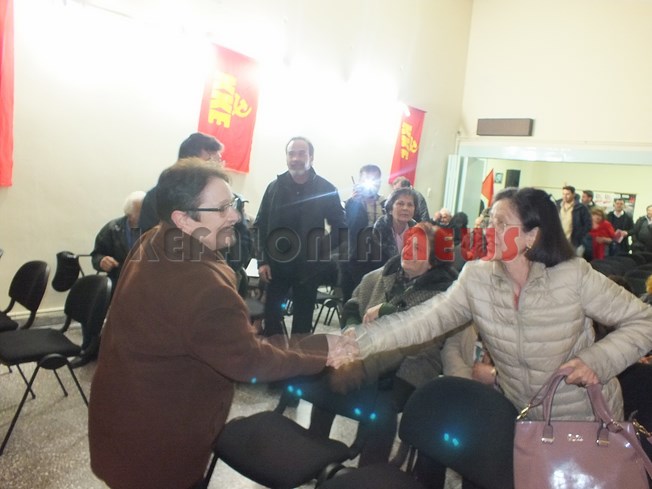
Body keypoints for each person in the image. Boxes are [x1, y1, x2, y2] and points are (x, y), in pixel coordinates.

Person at [330, 187, 652, 486]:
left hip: (585, 419)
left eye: (501, 224)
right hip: (524, 418)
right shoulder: (477, 278)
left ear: (531, 236)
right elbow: (423, 320)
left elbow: (644, 321)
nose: (488, 231)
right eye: (489, 221)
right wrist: (360, 342)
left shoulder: (573, 276)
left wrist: (596, 360)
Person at [88, 159, 335, 489]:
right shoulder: (203, 287)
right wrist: (324, 349)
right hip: (158, 447)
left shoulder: (155, 239)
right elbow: (251, 361)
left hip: (122, 419)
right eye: (221, 209)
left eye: (233, 204)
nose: (235, 216)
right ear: (183, 219)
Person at [311, 222, 472, 467]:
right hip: (365, 353)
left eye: (417, 248)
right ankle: (314, 452)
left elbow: (422, 332)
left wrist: (387, 310)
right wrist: (352, 328)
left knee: (381, 407)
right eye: (408, 243)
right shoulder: (381, 275)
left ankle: (369, 472)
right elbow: (353, 303)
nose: (407, 250)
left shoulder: (445, 295)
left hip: (411, 365)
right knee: (329, 377)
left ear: (432, 261)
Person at [254, 136, 347, 337]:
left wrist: (320, 250)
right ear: (286, 157)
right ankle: (274, 355)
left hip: (308, 269)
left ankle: (298, 358)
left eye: (301, 153)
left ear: (311, 157)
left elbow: (341, 228)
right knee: (271, 321)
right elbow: (259, 226)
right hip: (276, 267)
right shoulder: (273, 188)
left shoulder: (326, 189)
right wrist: (262, 260)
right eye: (291, 154)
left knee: (302, 326)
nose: (296, 158)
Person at [139, 132, 253, 274]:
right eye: (210, 162)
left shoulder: (231, 200)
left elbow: (243, 243)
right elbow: (149, 243)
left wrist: (223, 269)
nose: (217, 168)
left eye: (219, 161)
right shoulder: (155, 198)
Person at [341, 164, 385, 301]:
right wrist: (355, 203)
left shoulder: (386, 203)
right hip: (356, 258)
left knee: (373, 299)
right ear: (359, 182)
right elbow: (351, 229)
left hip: (379, 258)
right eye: (366, 180)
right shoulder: (351, 203)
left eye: (375, 180)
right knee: (354, 300)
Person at [91, 190, 145, 287]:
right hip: (119, 284)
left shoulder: (157, 229)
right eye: (142, 211)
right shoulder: (112, 229)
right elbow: (96, 256)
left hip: (149, 285)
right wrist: (102, 261)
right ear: (129, 215)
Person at [372, 188, 417, 266]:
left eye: (410, 205)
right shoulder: (378, 231)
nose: (405, 208)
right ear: (390, 209)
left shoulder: (417, 231)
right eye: (400, 204)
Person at [556, 185, 591, 255]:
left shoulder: (581, 207)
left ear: (573, 194)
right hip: (559, 240)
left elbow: (588, 225)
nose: (565, 196)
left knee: (573, 260)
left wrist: (580, 237)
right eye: (563, 194)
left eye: (567, 194)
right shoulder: (558, 206)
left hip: (574, 242)